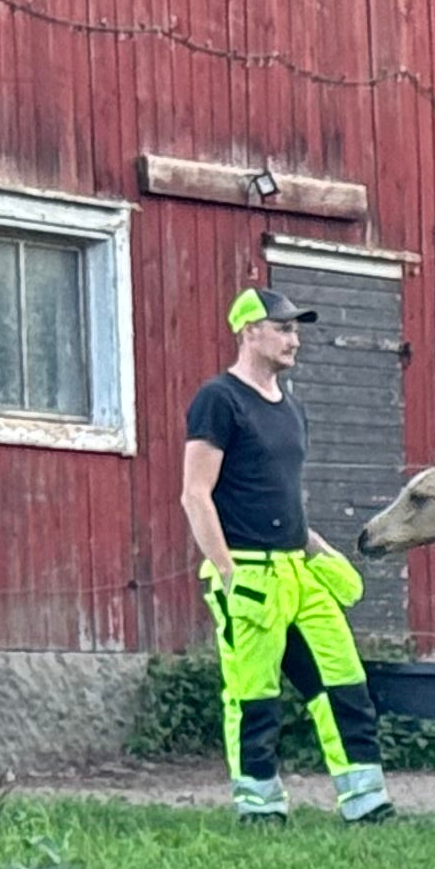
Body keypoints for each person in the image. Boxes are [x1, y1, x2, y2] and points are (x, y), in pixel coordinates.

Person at [179, 286, 393, 823]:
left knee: (343, 678)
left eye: (296, 329)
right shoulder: (219, 400)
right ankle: (260, 806)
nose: (294, 339)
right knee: (254, 695)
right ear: (251, 330)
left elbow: (278, 492)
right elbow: (195, 493)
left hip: (299, 571)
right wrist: (227, 575)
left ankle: (367, 803)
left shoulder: (292, 407)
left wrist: (317, 547)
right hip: (248, 574)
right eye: (285, 327)